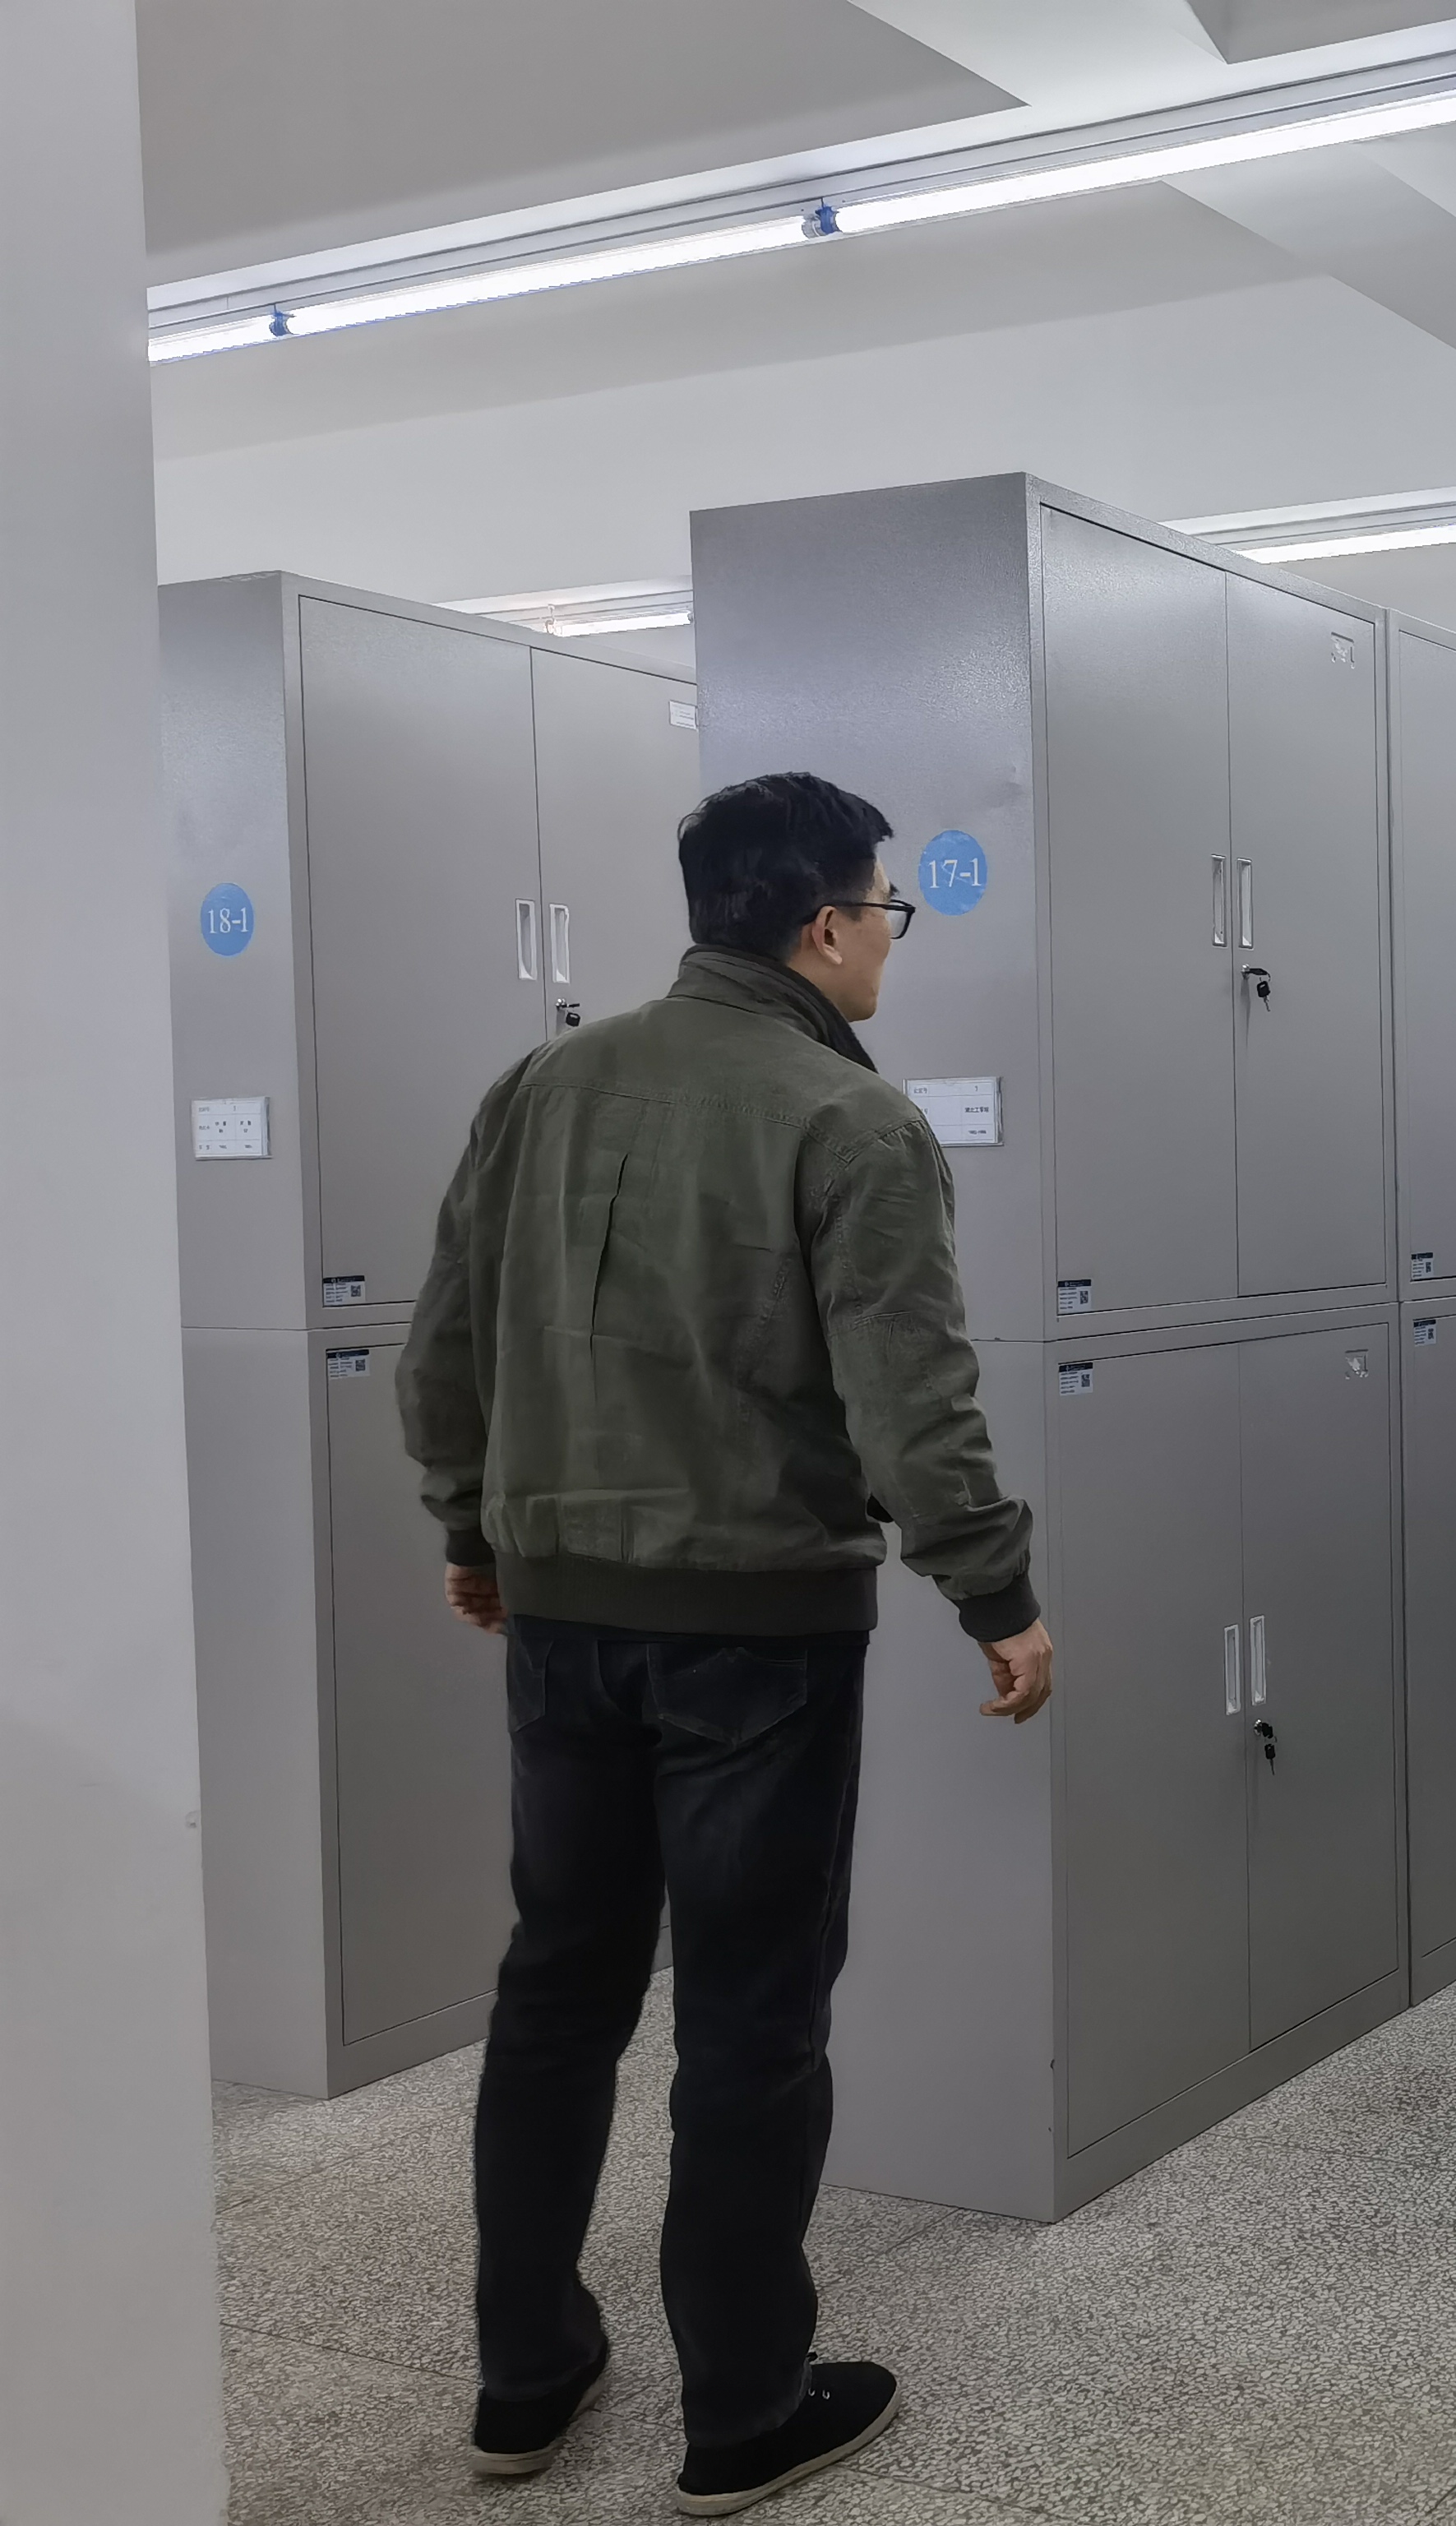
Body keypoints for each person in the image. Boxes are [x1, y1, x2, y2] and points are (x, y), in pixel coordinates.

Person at [400, 771, 1056, 2519]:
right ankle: (743, 2411)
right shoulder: (849, 1119)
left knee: (556, 1990)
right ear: (826, 924)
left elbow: (444, 1343)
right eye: (887, 912)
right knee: (751, 2017)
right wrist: (994, 1594)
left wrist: (473, 1530)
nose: (890, 942)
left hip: (561, 1616)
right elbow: (914, 1403)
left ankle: (524, 2376)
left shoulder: (539, 1084)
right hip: (757, 1632)